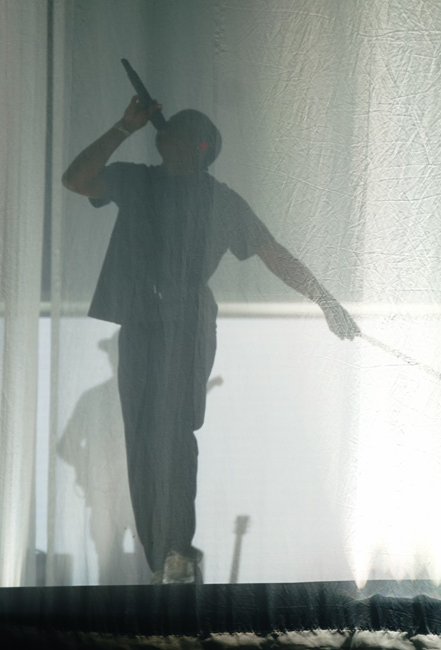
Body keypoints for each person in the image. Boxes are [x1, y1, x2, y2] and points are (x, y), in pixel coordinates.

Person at [62, 95, 359, 584]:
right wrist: (122, 127)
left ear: (201, 148)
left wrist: (325, 300)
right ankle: (161, 554)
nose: (168, 140)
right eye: (168, 132)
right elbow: (76, 180)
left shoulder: (221, 200)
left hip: (189, 322)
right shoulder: (138, 181)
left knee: (174, 430)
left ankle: (177, 547)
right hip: (140, 321)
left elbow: (273, 253)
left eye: (182, 134)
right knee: (142, 434)